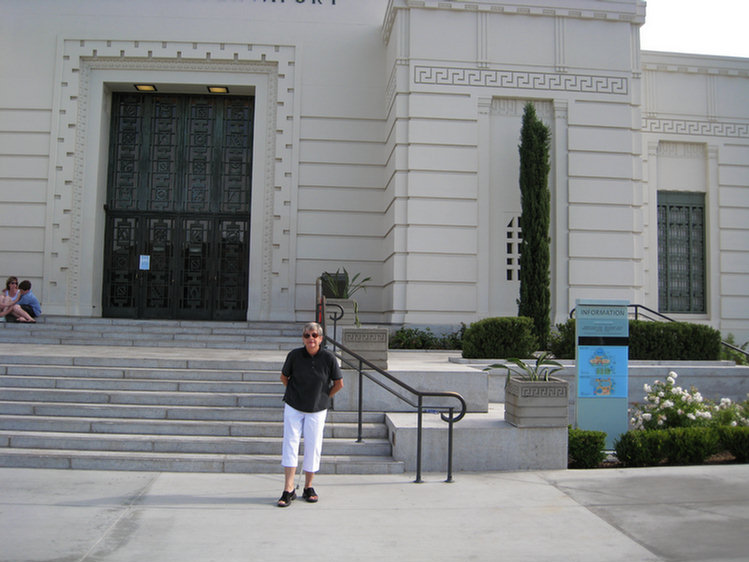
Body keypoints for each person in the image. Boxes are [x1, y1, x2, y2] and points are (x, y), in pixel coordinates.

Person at [277, 321, 343, 507]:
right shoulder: (294, 356)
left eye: (314, 335)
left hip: (317, 409)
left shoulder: (328, 358)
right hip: (294, 406)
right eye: (307, 335)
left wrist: (323, 397)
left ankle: (308, 486)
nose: (311, 339)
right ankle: (288, 489)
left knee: (313, 445)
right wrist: (295, 393)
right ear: (303, 338)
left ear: (320, 338)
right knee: (290, 443)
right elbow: (284, 377)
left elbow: (339, 383)